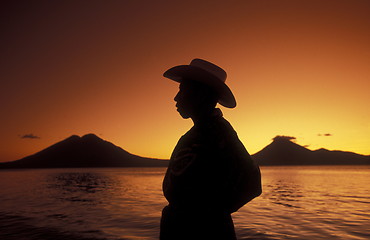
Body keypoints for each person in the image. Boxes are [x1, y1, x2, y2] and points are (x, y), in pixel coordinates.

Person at [160, 59, 262, 240]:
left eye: (182, 89)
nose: (176, 97)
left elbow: (252, 181)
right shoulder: (192, 136)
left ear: (201, 94)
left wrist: (206, 217)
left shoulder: (220, 133)